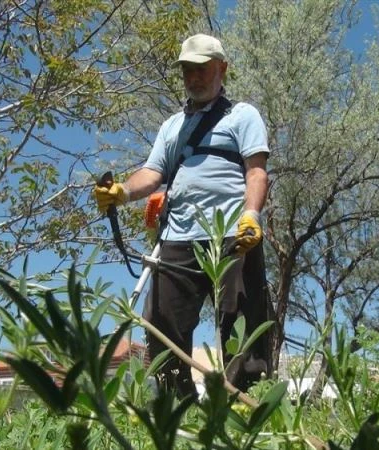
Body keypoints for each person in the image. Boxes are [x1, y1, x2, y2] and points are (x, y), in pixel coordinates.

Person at [94, 33, 271, 397]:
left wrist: (252, 214)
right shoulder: (172, 127)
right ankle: (174, 408)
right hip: (177, 236)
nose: (194, 77)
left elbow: (256, 171)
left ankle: (248, 406)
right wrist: (122, 192)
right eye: (187, 70)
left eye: (202, 68)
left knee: (243, 323)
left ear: (222, 68)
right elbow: (152, 173)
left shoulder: (242, 116)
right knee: (161, 320)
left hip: (232, 234)